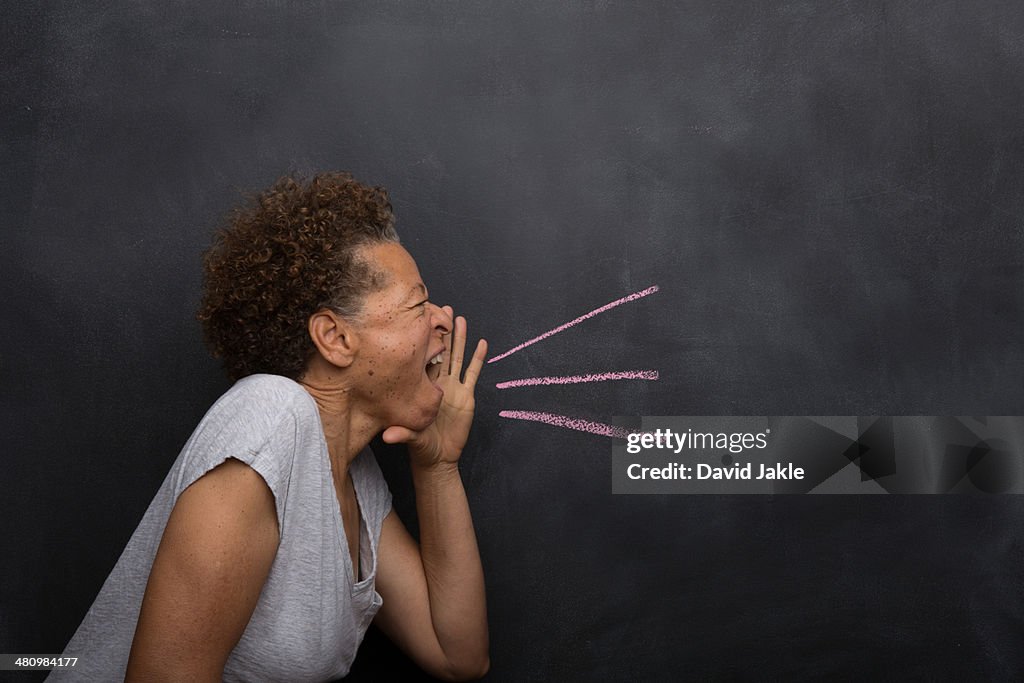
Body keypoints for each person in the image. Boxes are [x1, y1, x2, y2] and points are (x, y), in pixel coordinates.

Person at [49, 173, 490, 681]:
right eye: (418, 304)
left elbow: (457, 655)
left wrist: (438, 465)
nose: (441, 319)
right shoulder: (270, 421)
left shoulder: (351, 473)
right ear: (335, 338)